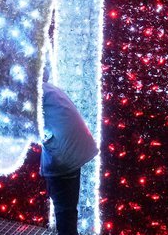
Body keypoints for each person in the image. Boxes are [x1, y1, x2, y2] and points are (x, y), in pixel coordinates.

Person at [40, 82, 99, 235]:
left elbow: (21, 126)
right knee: (68, 209)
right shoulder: (48, 89)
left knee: (64, 211)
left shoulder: (35, 95)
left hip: (64, 156)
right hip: (73, 150)